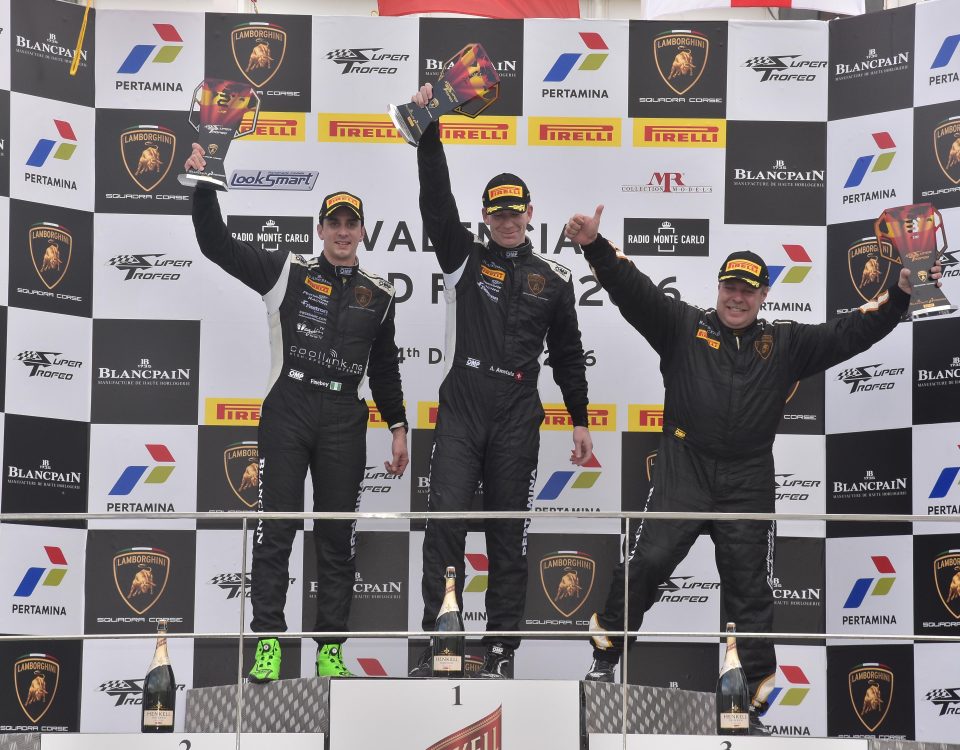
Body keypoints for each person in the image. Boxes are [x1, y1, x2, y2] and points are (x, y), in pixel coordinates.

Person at [564, 204, 940, 732]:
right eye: (730, 288)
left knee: (750, 589)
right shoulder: (681, 325)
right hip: (684, 467)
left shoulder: (785, 342)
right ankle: (605, 657)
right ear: (718, 288)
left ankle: (748, 703)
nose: (736, 298)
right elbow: (633, 289)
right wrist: (595, 245)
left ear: (764, 296)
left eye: (748, 290)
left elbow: (851, 331)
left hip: (748, 478)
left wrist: (900, 294)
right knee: (649, 560)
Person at [185, 144, 408, 681]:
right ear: (320, 228)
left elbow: (384, 368)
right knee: (276, 527)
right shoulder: (286, 271)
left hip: (344, 415)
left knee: (336, 536)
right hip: (288, 407)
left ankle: (330, 649)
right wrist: (205, 184)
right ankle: (268, 643)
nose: (342, 232)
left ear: (363, 232)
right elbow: (216, 244)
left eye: (351, 224)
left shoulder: (380, 295)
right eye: (334, 223)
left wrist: (398, 426)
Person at [407, 83, 594, 678]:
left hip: (518, 408)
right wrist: (430, 130)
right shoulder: (464, 256)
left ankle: (502, 651)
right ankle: (440, 643)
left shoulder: (555, 278)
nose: (508, 221)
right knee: (445, 529)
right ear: (485, 217)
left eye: (516, 212)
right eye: (498, 213)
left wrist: (581, 419)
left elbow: (569, 354)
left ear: (530, 214)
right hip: (463, 404)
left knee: (508, 535)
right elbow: (436, 204)